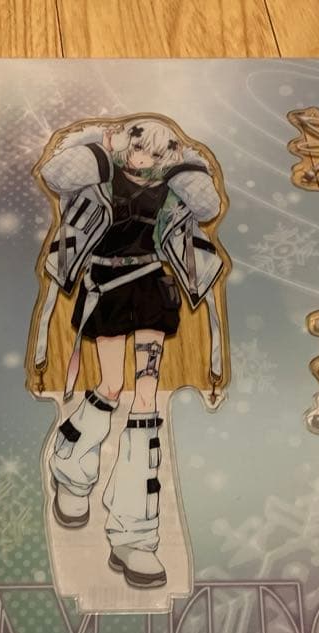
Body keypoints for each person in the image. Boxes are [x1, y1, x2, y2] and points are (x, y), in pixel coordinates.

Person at [31, 115, 227, 589]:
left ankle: (134, 534)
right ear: (121, 143)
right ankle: (71, 469)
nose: (143, 161)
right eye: (138, 149)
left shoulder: (176, 180)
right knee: (112, 386)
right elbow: (55, 175)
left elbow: (208, 207)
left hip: (152, 284)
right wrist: (99, 146)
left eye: (157, 153)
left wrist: (185, 165)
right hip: (105, 283)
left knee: (146, 401)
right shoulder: (97, 169)